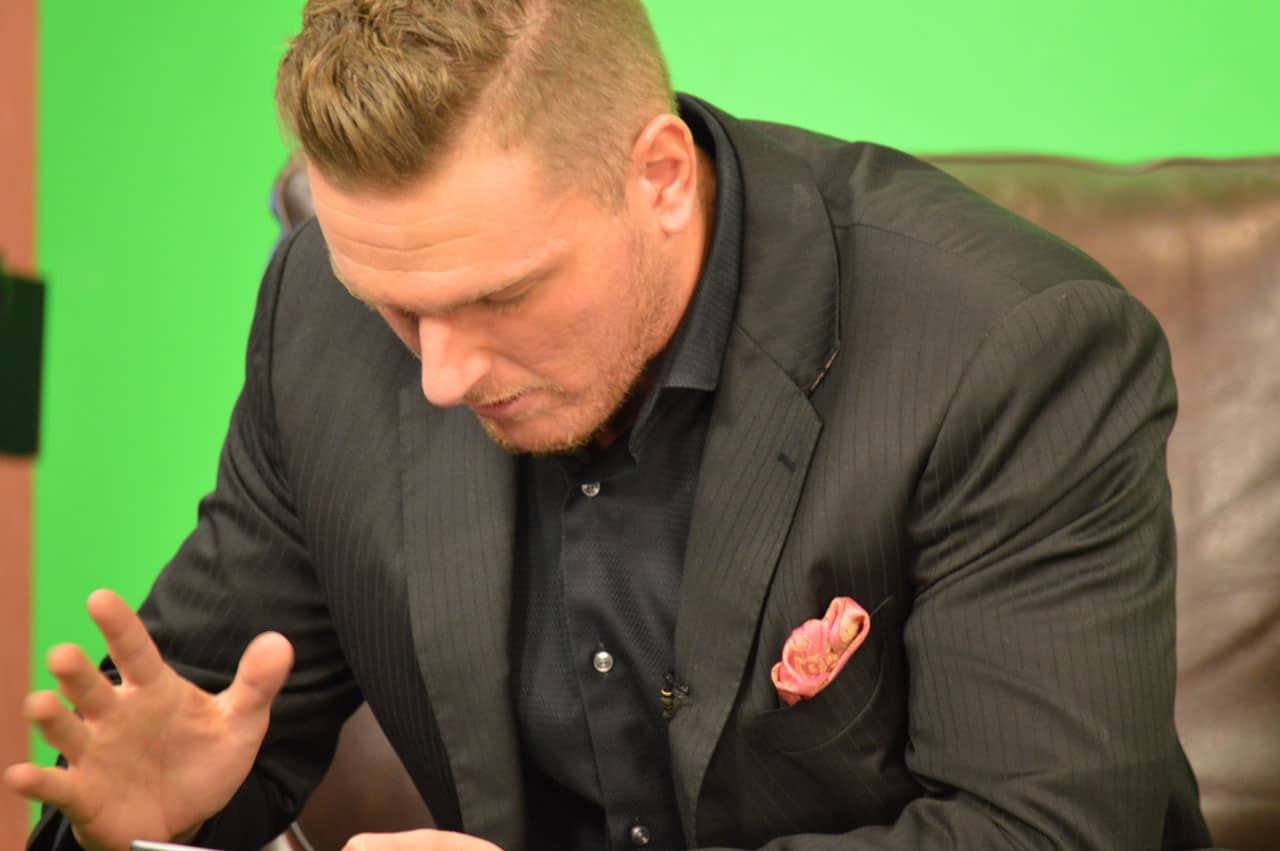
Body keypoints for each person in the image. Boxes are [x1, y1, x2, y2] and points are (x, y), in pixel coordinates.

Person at [5, 1, 1214, 849]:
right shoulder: (320, 323)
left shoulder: (1009, 347)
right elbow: (196, 725)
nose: (439, 375)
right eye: (395, 306)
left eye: (500, 296)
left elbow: (1041, 829)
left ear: (659, 177)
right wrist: (154, 822)